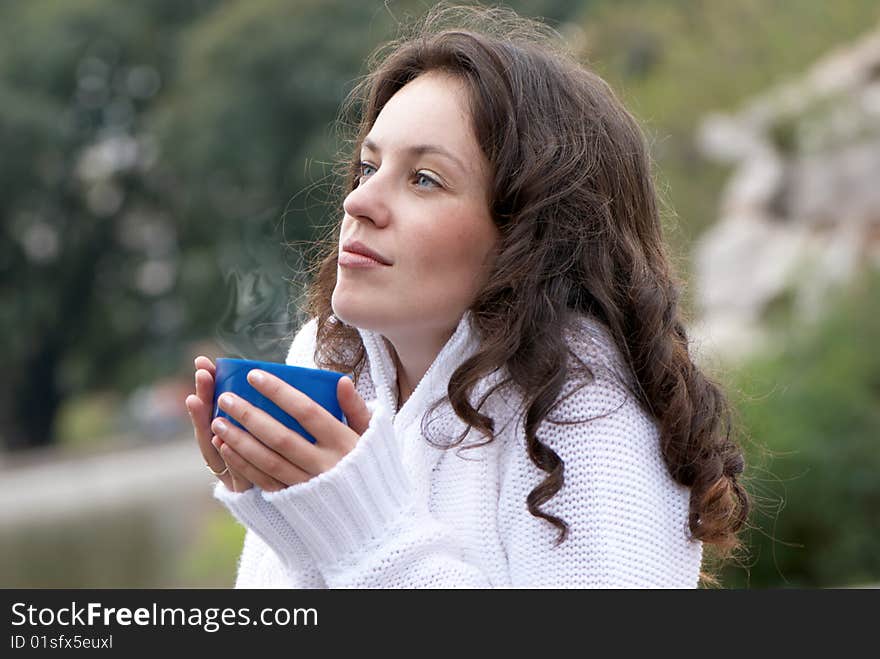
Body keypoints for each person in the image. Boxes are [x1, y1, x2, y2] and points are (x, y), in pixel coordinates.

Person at [184, 4, 749, 588]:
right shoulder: (327, 359)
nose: (358, 203)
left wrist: (366, 537)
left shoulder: (585, 405)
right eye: (366, 168)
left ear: (529, 232)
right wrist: (288, 508)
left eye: (424, 179)